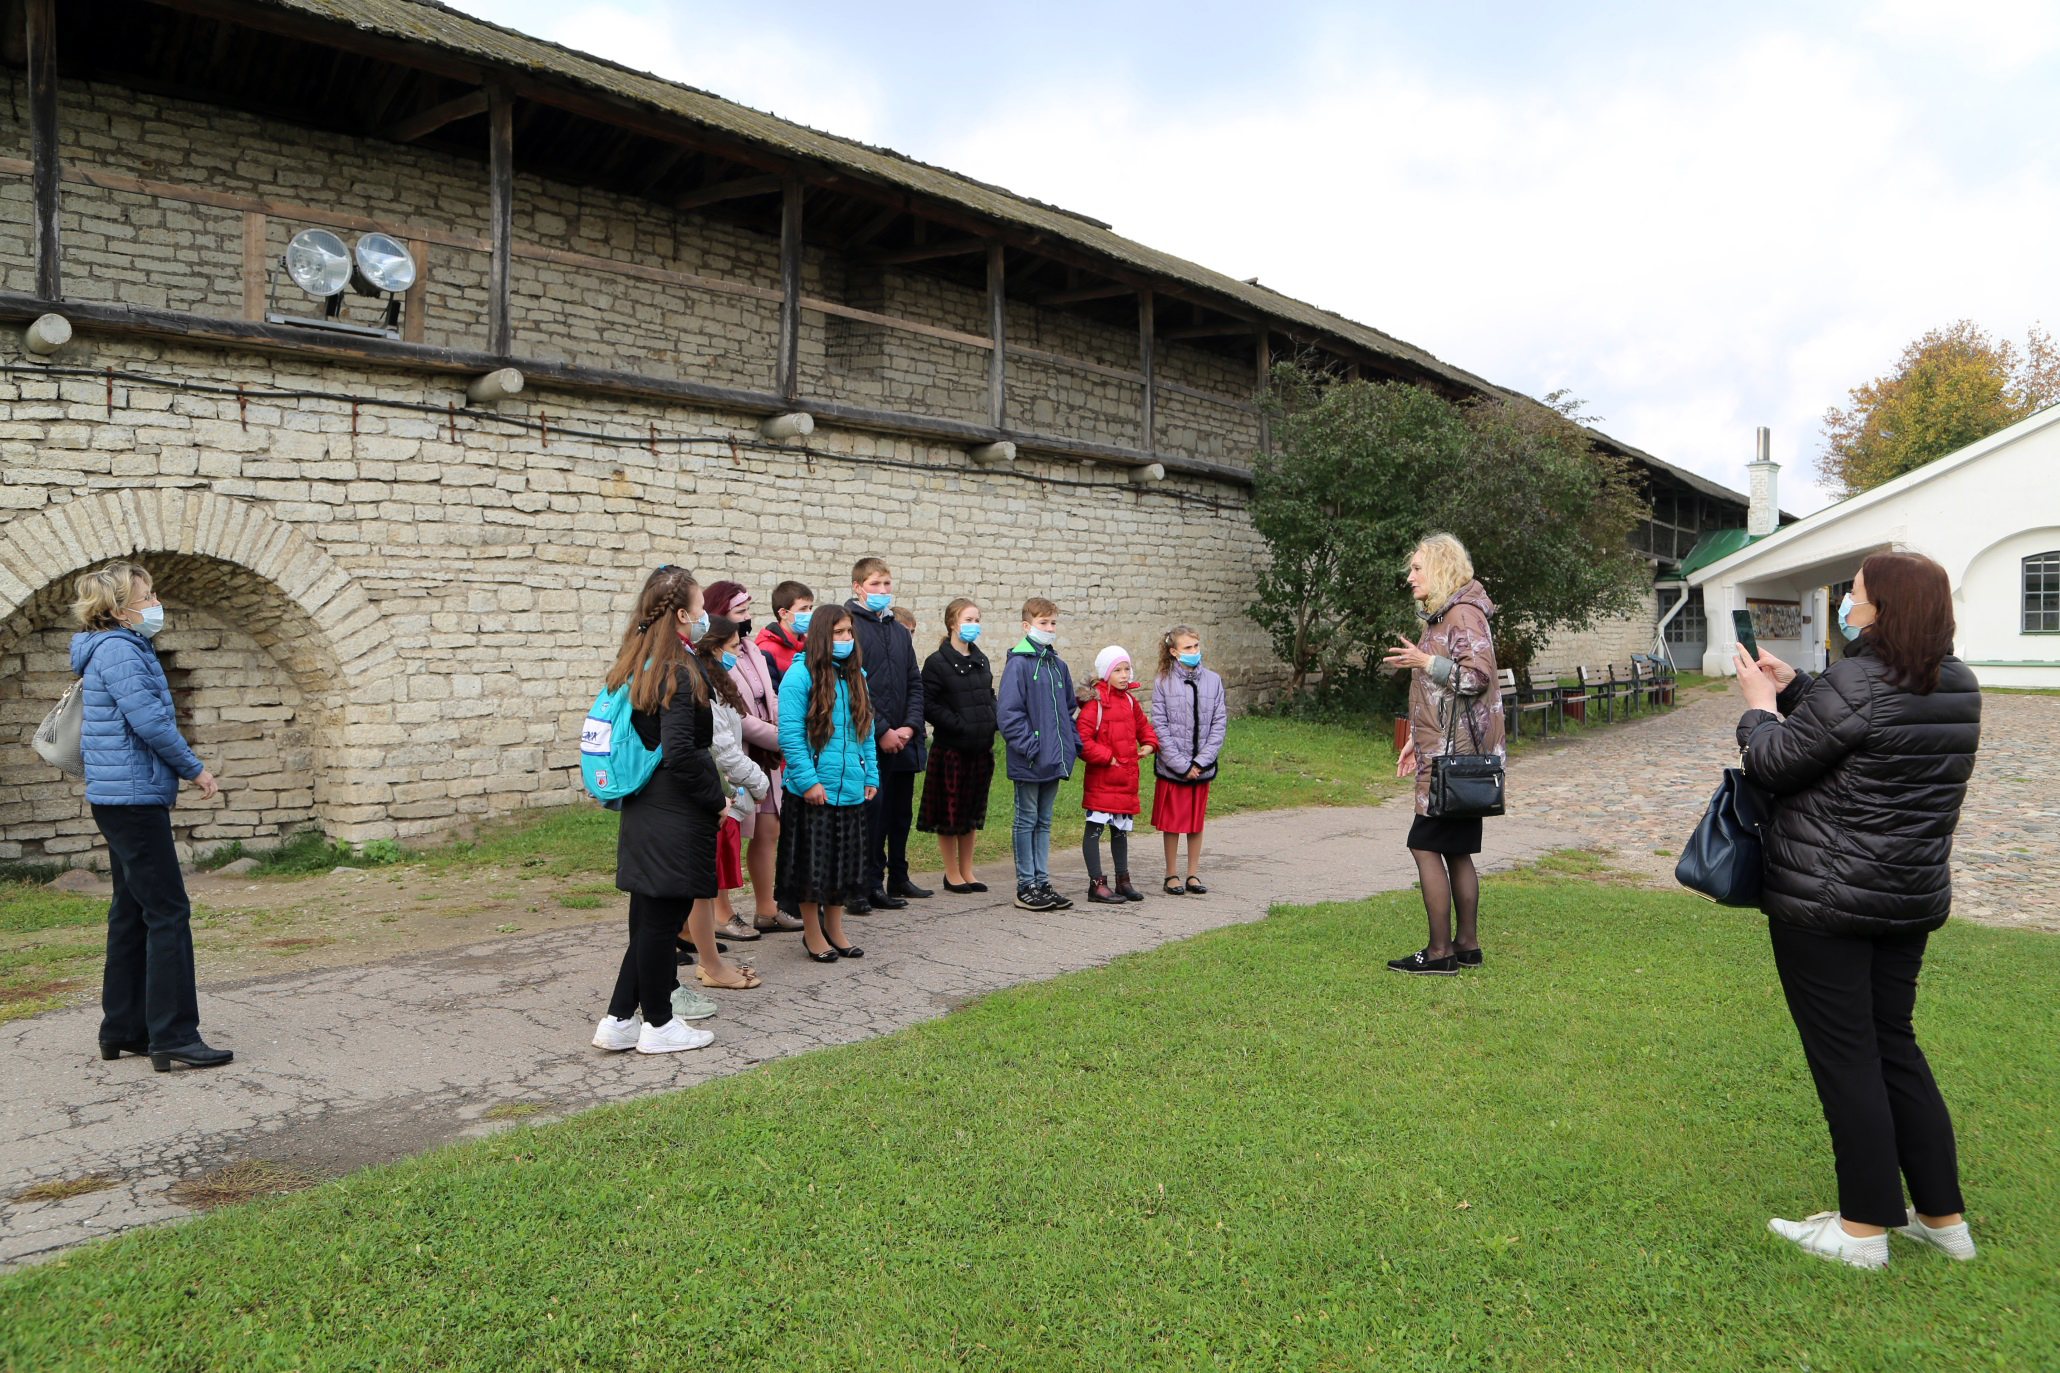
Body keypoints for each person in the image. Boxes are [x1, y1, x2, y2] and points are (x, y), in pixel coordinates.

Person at [1735, 552, 1981, 1269]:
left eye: (1858, 595)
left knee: (1847, 1055)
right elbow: (1870, 729)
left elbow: (1774, 761)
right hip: (1905, 899)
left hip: (1826, 902)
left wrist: (1758, 707)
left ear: (1883, 611)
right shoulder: (1957, 683)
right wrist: (1800, 687)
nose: (1848, 603)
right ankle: (1942, 1219)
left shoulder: (1860, 682)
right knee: (1893, 1045)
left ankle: (1864, 1230)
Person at [68, 562, 228, 1072]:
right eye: (147, 596)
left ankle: (124, 1029)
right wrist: (194, 769)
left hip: (118, 798)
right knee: (168, 912)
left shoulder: (110, 647)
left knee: (132, 909)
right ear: (120, 610)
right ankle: (173, 1035)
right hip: (134, 799)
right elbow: (151, 723)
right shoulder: (120, 650)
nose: (156, 603)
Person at [593, 566, 722, 1055]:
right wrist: (716, 799)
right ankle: (660, 1025)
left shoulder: (637, 662)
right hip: (674, 812)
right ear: (683, 615)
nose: (706, 616)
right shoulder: (677, 671)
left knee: (648, 921)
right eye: (701, 606)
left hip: (644, 806)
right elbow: (682, 753)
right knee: (662, 923)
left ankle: (618, 1020)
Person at [1381, 534, 1502, 976]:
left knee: (1424, 844)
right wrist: (1416, 738)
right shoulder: (1442, 616)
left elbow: (1477, 677)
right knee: (1456, 851)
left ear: (1441, 568)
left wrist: (1425, 662)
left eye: (1417, 568)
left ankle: (1439, 952)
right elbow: (1440, 696)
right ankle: (1466, 945)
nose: (1409, 577)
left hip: (1453, 759)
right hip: (1448, 752)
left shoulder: (1461, 614)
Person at [775, 605, 879, 962]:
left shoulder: (857, 676)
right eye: (838, 633)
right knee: (813, 867)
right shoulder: (799, 676)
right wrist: (808, 781)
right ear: (821, 635)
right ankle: (813, 933)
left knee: (842, 865)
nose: (846, 638)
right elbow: (790, 736)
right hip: (813, 791)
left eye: (849, 632)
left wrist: (870, 773)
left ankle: (835, 929)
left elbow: (866, 731)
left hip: (850, 788)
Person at [706, 580, 800, 934]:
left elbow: (770, 697)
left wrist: (784, 729)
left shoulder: (751, 648)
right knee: (727, 833)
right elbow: (737, 716)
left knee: (769, 829)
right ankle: (722, 912)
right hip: (739, 752)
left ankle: (767, 908)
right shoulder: (715, 656)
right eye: (740, 611)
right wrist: (780, 739)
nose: (747, 617)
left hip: (767, 753)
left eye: (748, 609)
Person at [844, 557, 927, 912]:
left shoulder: (898, 631)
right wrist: (881, 731)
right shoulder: (849, 628)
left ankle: (879, 881)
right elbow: (853, 687)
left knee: (892, 812)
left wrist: (909, 726)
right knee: (868, 814)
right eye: (874, 584)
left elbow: (913, 682)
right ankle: (859, 886)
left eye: (887, 584)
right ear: (858, 587)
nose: (882, 590)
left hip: (900, 737)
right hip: (867, 738)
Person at [691, 617, 770, 988]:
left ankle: (702, 952)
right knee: (704, 886)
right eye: (735, 646)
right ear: (713, 647)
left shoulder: (717, 683)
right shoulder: (704, 688)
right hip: (717, 798)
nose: (739, 652)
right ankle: (709, 964)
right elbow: (724, 751)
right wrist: (758, 782)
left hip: (721, 795)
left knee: (704, 885)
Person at [997, 596, 1079, 912]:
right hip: (1030, 759)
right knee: (1026, 820)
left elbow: (1068, 710)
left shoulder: (1058, 666)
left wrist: (1070, 745)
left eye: (1053, 623)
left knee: (1044, 822)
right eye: (1043, 623)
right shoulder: (1018, 664)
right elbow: (1009, 714)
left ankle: (1042, 882)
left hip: (1054, 759)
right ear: (1026, 626)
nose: (1049, 628)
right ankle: (1025, 886)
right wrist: (1031, 748)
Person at [917, 598, 997, 893]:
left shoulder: (981, 658)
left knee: (971, 812)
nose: (974, 625)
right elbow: (927, 703)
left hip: (980, 749)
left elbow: (989, 694)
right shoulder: (936, 662)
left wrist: (992, 718)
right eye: (968, 620)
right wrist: (958, 724)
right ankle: (951, 873)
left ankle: (967, 870)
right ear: (953, 623)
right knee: (949, 813)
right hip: (951, 749)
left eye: (977, 620)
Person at [1076, 645, 1159, 905]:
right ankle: (1096, 884)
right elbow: (1082, 741)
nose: (1124, 675)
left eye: (1127, 669)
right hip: (1102, 779)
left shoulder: (1130, 702)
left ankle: (1123, 880)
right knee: (1095, 829)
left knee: (1120, 831)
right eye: (1118, 670)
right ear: (1105, 673)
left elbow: (1143, 726)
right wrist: (1107, 757)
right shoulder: (1095, 705)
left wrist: (1149, 743)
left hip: (1124, 779)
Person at [1148, 625, 1226, 897]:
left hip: (1201, 767)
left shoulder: (1213, 681)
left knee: (1195, 821)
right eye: (1187, 648)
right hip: (1174, 767)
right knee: (1173, 822)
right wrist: (1181, 765)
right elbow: (1160, 726)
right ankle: (1171, 873)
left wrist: (1201, 762)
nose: (1194, 651)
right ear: (1173, 652)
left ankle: (1193, 873)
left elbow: (1219, 724)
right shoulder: (1162, 682)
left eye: (1196, 646)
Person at [754, 580, 814, 689]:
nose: (809, 613)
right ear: (784, 613)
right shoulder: (766, 650)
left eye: (810, 608)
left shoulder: (809, 645)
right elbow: (771, 692)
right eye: (803, 609)